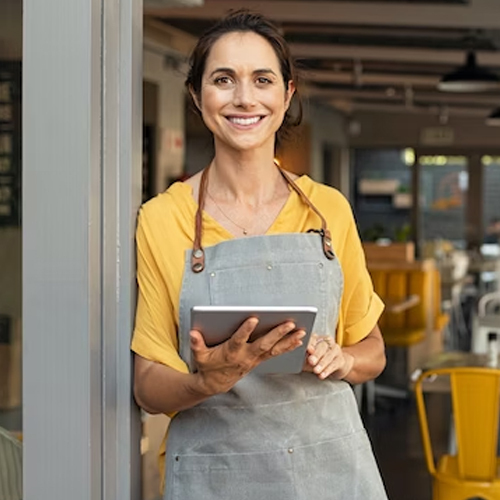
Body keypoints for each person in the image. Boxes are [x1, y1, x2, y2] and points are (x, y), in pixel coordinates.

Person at [132, 10, 388, 500]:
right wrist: (207, 380)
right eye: (223, 79)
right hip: (216, 473)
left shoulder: (329, 209)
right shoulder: (163, 219)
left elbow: (372, 349)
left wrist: (343, 360)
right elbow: (147, 384)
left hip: (330, 469)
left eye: (262, 79)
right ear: (196, 95)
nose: (244, 98)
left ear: (286, 94)